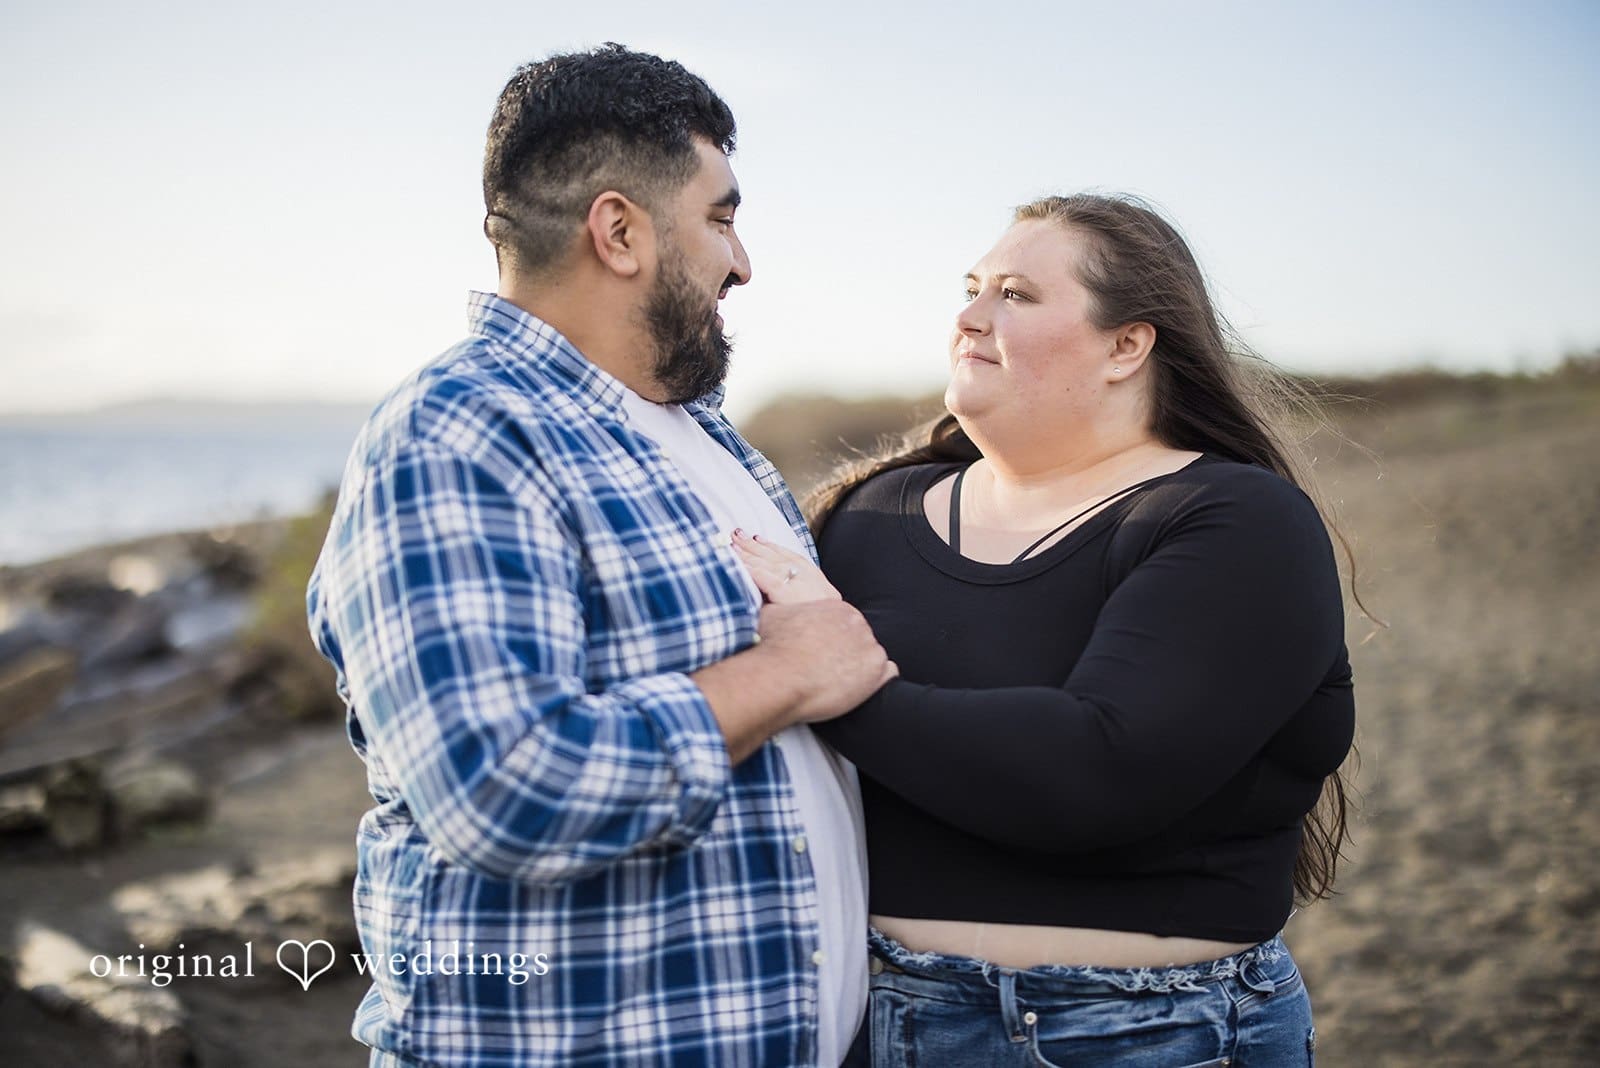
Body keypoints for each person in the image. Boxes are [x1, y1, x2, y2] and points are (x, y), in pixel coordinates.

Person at [306, 45, 894, 1067]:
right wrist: (787, 674)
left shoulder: (708, 441)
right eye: (720, 219)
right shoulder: (460, 430)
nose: (742, 263)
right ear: (618, 231)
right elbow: (502, 785)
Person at [733, 192, 1357, 1066]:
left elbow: (1098, 772)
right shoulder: (865, 514)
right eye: (971, 289)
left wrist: (828, 684)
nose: (969, 317)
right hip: (875, 1023)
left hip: (1147, 1032)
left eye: (1016, 295)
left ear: (1126, 346)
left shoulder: (1236, 521)